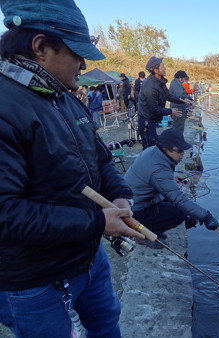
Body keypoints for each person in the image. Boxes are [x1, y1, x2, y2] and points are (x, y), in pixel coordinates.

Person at [0, 0, 144, 337]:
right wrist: (96, 222)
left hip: (88, 257)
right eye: (76, 53)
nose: (83, 63)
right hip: (35, 279)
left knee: (107, 326)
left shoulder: (63, 95)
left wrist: (120, 196)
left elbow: (100, 159)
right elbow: (5, 213)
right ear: (41, 48)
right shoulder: (5, 106)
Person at [124, 128, 219, 247]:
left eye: (183, 150)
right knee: (180, 212)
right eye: (179, 150)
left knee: (170, 200)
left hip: (133, 201)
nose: (182, 154)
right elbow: (180, 199)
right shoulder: (158, 169)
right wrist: (206, 216)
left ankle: (151, 229)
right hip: (134, 211)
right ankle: (142, 235)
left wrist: (171, 178)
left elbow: (153, 176)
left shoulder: (153, 152)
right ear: (165, 149)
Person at [137, 56, 185, 150]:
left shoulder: (160, 82)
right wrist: (171, 111)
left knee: (154, 145)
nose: (165, 68)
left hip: (152, 120)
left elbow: (168, 96)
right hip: (146, 120)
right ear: (155, 70)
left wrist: (183, 100)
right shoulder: (149, 86)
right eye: (162, 66)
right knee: (149, 148)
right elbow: (154, 108)